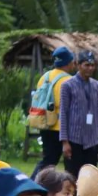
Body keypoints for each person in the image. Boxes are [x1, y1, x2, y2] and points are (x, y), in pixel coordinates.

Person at [59, 51, 98, 178]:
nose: (90, 68)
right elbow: (63, 113)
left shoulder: (97, 86)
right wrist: (64, 142)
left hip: (92, 140)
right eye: (86, 65)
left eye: (92, 65)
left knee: (90, 177)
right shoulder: (67, 86)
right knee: (72, 176)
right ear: (78, 65)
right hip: (74, 139)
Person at [30, 46, 76, 179]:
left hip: (45, 123)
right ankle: (36, 183)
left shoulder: (45, 77)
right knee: (67, 162)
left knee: (48, 159)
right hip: (61, 128)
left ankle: (34, 182)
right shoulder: (69, 81)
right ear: (68, 62)